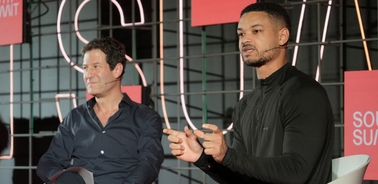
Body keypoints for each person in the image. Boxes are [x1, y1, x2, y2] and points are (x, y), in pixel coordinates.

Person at [163, 2, 334, 184]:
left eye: (256, 31)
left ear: (282, 36)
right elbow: (241, 177)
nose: (245, 40)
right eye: (241, 34)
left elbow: (295, 171)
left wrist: (228, 155)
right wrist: (201, 157)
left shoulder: (305, 93)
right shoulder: (245, 105)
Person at [37, 37, 164, 184]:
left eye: (96, 67)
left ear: (117, 70)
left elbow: (149, 164)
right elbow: (48, 161)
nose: (88, 75)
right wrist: (64, 179)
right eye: (85, 68)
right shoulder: (75, 117)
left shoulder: (146, 118)